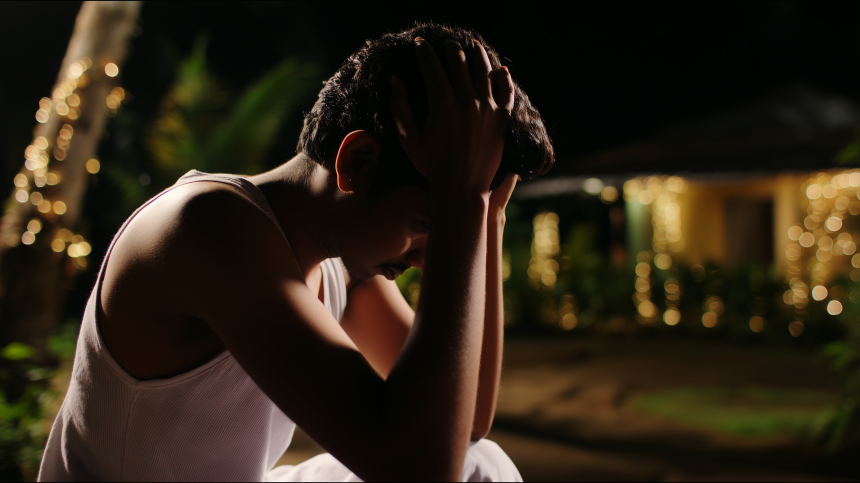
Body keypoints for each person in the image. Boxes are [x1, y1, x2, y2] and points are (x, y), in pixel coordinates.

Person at [38, 22, 553, 481]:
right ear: (357, 162)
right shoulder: (206, 225)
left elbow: (468, 422)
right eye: (425, 226)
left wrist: (485, 216)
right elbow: (419, 468)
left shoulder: (340, 265)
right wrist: (460, 202)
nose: (424, 260)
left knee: (479, 465)